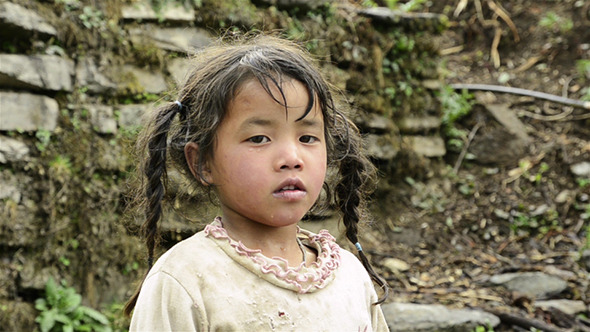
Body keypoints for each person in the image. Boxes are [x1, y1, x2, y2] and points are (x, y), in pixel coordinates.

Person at [125, 33, 389, 331]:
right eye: (259, 138)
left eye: (307, 138)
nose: (292, 157)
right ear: (202, 162)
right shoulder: (186, 280)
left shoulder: (350, 277)